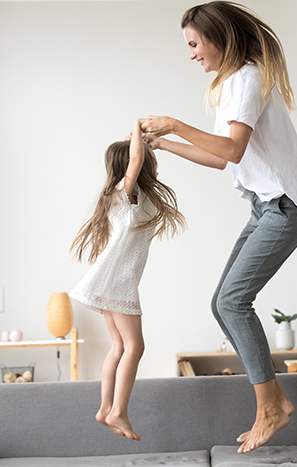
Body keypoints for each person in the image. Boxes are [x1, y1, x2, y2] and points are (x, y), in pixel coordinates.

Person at [140, 1, 297, 453]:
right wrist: (166, 142)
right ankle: (273, 398)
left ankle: (270, 407)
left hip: (287, 206)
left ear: (219, 37)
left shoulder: (251, 78)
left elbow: (233, 149)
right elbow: (220, 157)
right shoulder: (232, 84)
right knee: (223, 305)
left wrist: (177, 124)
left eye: (195, 43)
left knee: (234, 300)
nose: (192, 54)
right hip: (264, 207)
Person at [69, 119, 185, 441]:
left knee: (119, 346)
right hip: (118, 283)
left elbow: (136, 159)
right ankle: (118, 410)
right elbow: (135, 160)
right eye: (152, 164)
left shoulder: (134, 197)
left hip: (109, 283)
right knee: (135, 346)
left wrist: (142, 142)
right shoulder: (124, 192)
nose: (155, 169)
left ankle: (105, 408)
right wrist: (137, 127)